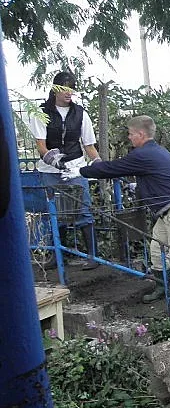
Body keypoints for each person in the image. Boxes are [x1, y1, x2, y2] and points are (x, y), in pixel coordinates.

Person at [70, 115, 170, 307]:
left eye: (131, 134)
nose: (129, 138)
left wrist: (81, 172)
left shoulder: (143, 154)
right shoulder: (157, 151)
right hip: (167, 212)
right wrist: (136, 186)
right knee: (157, 251)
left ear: (141, 134)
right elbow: (154, 178)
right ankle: (161, 288)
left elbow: (114, 168)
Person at [28, 71, 102, 269]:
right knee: (55, 212)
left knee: (83, 210)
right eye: (64, 89)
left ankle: (93, 256)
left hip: (76, 167)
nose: (69, 93)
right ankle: (58, 255)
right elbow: (41, 145)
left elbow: (89, 146)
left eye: (71, 89)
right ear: (55, 90)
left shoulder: (80, 113)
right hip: (50, 169)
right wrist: (53, 159)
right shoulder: (41, 112)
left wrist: (99, 165)